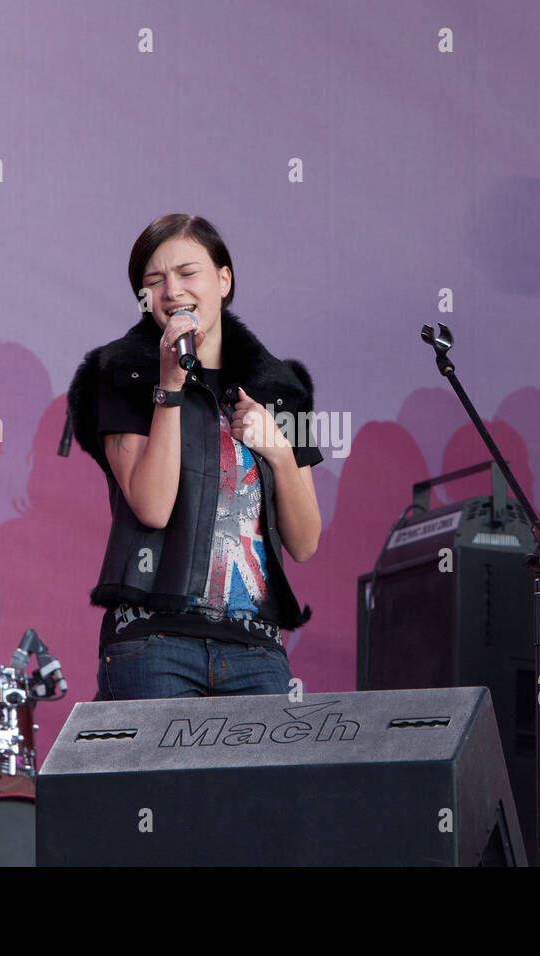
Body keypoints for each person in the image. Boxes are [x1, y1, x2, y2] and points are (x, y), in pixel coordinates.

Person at [67, 214, 323, 699]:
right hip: (155, 643)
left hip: (257, 649)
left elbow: (306, 542)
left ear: (223, 279)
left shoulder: (283, 390)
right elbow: (152, 505)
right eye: (154, 281)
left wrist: (280, 454)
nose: (172, 291)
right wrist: (169, 385)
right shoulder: (120, 374)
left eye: (188, 273)